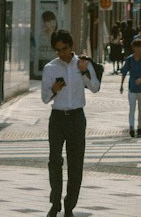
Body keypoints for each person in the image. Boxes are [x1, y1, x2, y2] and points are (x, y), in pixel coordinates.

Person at [40, 29, 101, 217]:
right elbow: (44, 98)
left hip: (76, 117)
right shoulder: (50, 68)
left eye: (64, 49)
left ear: (71, 46)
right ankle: (55, 202)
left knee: (76, 163)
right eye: (57, 50)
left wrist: (84, 73)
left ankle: (69, 206)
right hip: (57, 118)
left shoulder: (83, 63)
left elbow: (95, 88)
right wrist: (54, 89)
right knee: (54, 161)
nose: (61, 54)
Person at [119, 36, 141, 137]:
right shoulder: (129, 59)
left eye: (140, 47)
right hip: (132, 88)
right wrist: (121, 85)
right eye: (136, 47)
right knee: (132, 108)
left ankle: (139, 127)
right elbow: (124, 72)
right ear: (133, 48)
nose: (138, 49)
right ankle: (131, 127)